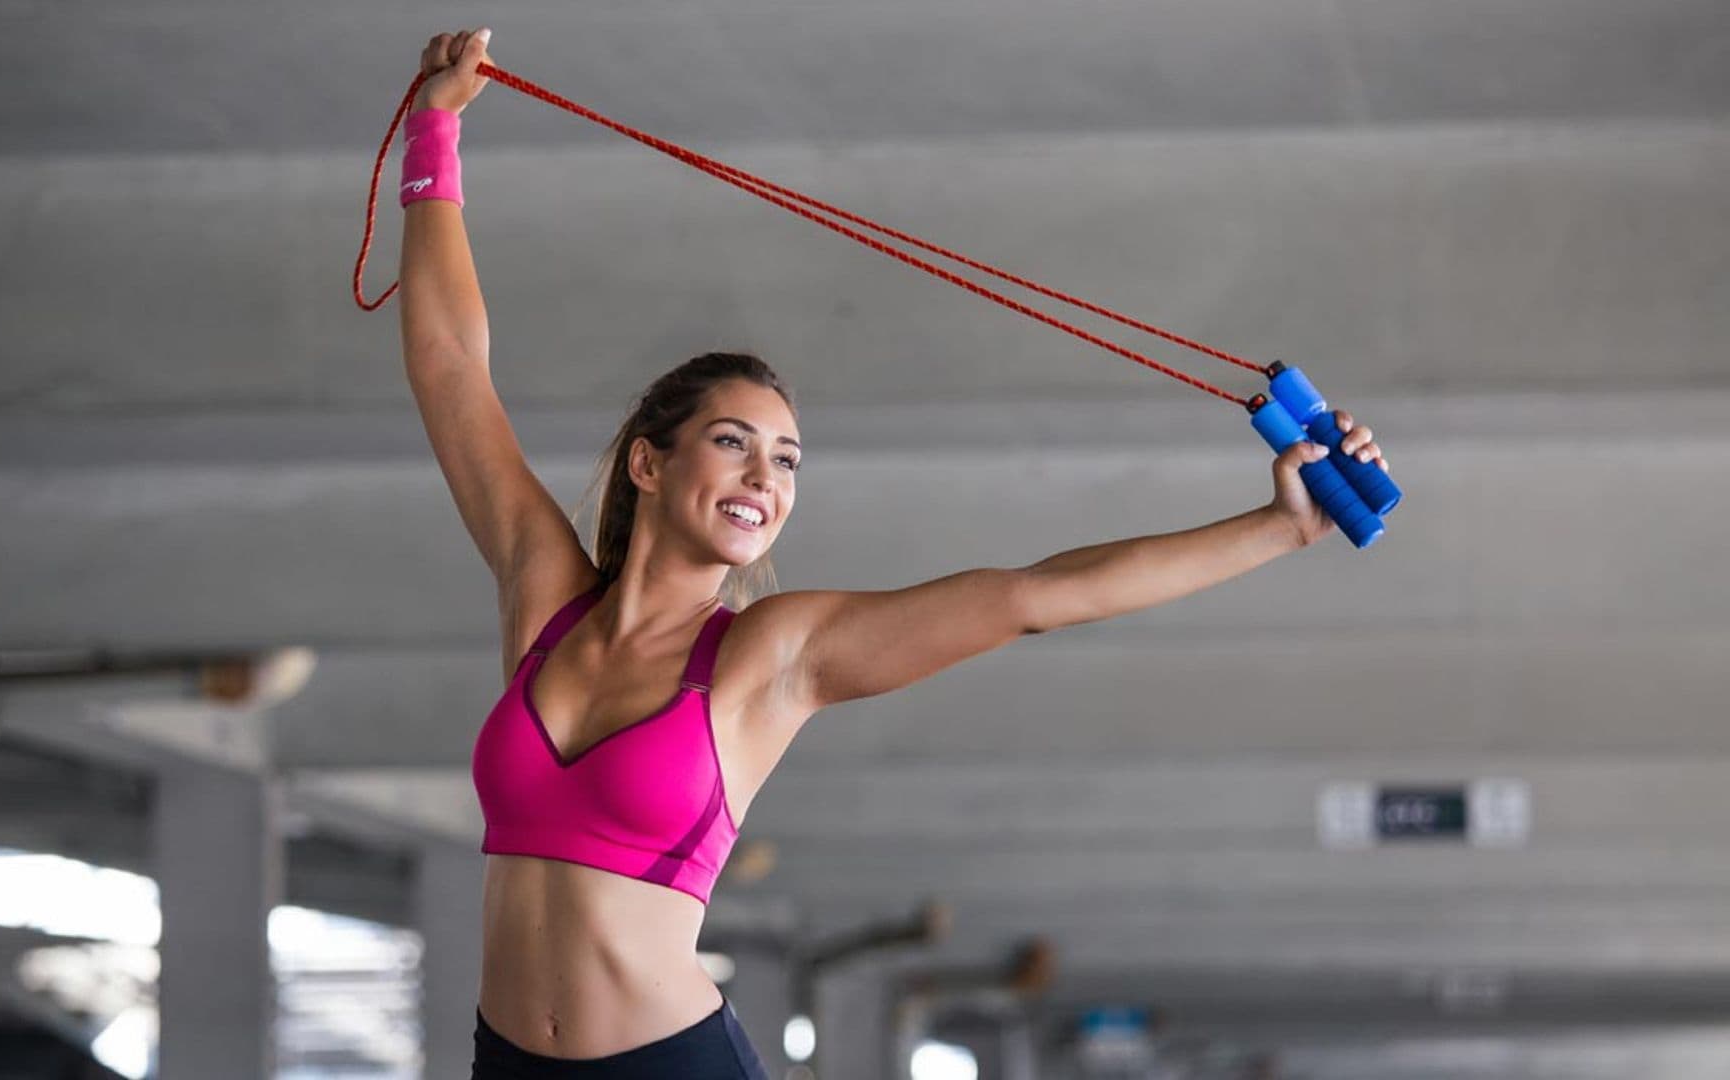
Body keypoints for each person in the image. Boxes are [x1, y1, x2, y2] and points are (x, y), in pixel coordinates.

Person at [399, 28, 1387, 1079]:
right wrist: (434, 134)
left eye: (785, 461)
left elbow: (1035, 597)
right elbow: (452, 365)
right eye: (732, 444)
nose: (763, 480)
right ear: (648, 463)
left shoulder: (769, 655)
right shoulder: (543, 595)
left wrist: (1278, 526)